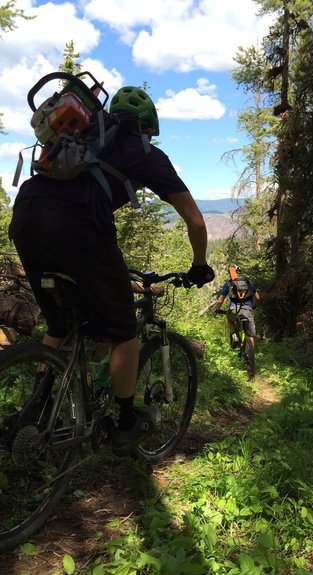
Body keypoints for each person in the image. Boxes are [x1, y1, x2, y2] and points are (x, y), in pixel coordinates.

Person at [8, 85, 215, 457]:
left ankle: (35, 409)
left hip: (26, 213)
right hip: (79, 226)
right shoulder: (146, 151)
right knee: (123, 331)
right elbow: (196, 222)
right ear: (148, 125)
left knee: (59, 325)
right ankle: (123, 424)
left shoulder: (76, 137)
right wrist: (199, 265)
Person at [214, 265, 259, 349]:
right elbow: (257, 297)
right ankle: (251, 358)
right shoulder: (247, 281)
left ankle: (234, 335)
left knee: (230, 319)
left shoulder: (229, 283)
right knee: (251, 335)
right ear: (239, 271)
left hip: (234, 309)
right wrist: (253, 306)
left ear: (230, 273)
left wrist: (217, 309)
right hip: (247, 309)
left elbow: (220, 300)